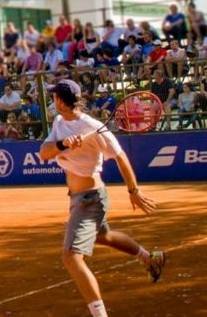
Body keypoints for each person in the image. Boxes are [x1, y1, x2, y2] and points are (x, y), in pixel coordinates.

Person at [37, 79, 165, 317]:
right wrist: (63, 144)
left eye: (54, 95)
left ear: (61, 100)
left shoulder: (94, 127)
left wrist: (133, 191)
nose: (51, 99)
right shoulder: (58, 122)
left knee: (71, 257)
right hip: (77, 197)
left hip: (91, 199)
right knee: (103, 236)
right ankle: (150, 258)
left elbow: (121, 157)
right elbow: (44, 153)